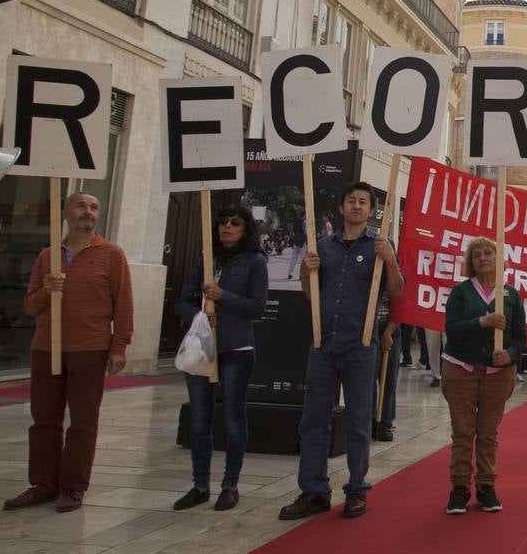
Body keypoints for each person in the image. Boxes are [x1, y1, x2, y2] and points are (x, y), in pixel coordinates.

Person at [279, 182, 404, 521]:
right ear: (341, 207)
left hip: (361, 345)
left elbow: (397, 292)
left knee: (359, 420)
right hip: (323, 344)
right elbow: (311, 295)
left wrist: (390, 261)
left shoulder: (380, 245)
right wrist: (305, 272)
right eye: (351, 200)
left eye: (363, 202)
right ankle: (314, 490)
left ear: (372, 210)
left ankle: (357, 488)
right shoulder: (323, 247)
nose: (356, 206)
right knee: (314, 420)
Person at [4, 192, 135, 514]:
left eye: (94, 207)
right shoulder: (48, 255)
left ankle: (73, 487)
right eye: (81, 206)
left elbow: (123, 302)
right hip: (46, 346)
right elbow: (30, 306)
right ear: (65, 213)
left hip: (90, 347)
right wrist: (47, 290)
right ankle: (43, 484)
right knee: (44, 419)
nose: (88, 212)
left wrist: (119, 345)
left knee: (83, 420)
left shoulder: (112, 254)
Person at [172, 204, 268, 512]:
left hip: (235, 350)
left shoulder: (255, 261)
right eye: (223, 221)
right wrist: (198, 315)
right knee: (200, 419)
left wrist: (223, 296)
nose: (227, 226)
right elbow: (182, 301)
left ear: (245, 228)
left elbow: (257, 306)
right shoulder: (207, 259)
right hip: (202, 348)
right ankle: (200, 484)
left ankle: (230, 484)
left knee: (232, 418)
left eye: (235, 222)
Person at [441, 237, 525, 514]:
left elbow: (521, 337)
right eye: (477, 255)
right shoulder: (461, 292)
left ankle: (486, 486)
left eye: (489, 253)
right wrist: (482, 322)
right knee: (463, 432)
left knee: (488, 433)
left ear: (500, 259)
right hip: (460, 369)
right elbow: (451, 329)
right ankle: (460, 488)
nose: (483, 258)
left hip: (497, 374)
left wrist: (510, 354)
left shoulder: (511, 295)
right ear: (471, 263)